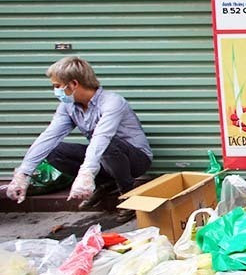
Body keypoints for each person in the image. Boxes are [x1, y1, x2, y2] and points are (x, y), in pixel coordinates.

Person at [5, 56, 152, 208]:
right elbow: (49, 137)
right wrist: (23, 173)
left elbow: (102, 138)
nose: (55, 91)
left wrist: (86, 172)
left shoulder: (112, 102)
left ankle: (127, 196)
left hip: (136, 160)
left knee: (107, 144)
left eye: (57, 86)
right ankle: (107, 184)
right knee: (55, 151)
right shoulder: (68, 107)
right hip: (103, 158)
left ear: (74, 84)